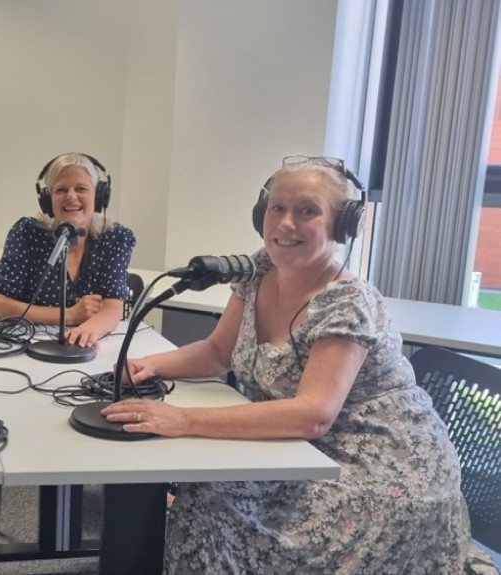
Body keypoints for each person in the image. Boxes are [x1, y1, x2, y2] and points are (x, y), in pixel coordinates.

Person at [102, 155, 497, 574]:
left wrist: (183, 419)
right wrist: (149, 365)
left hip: (382, 474)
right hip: (299, 450)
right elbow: (218, 352)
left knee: (211, 498)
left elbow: (313, 416)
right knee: (204, 487)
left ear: (341, 225)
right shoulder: (260, 269)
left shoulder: (347, 302)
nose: (286, 224)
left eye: (307, 211)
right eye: (277, 208)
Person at [0, 153, 136, 348]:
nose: (71, 196)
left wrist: (86, 332)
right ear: (48, 200)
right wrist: (70, 315)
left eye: (81, 188)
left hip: (86, 349)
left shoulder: (115, 238)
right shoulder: (28, 233)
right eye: (61, 189)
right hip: (26, 345)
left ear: (98, 197)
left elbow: (112, 308)